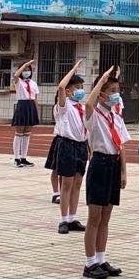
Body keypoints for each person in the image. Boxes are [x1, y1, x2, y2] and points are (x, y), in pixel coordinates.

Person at [81, 66, 127, 279]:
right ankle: (89, 263)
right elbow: (88, 103)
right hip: (99, 164)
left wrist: (124, 171)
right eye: (112, 90)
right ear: (101, 94)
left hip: (114, 164)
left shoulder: (115, 116)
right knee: (95, 216)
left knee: (107, 215)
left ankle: (101, 258)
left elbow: (121, 145)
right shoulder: (93, 114)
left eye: (117, 90)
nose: (116, 95)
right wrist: (101, 81)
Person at [50, 60, 90, 234]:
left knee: (77, 183)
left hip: (81, 146)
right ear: (68, 91)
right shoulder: (63, 107)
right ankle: (63, 220)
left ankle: (73, 217)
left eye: (82, 86)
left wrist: (88, 148)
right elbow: (60, 87)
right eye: (77, 87)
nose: (80, 90)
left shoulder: (81, 107)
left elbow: (86, 129)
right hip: (67, 145)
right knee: (66, 184)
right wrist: (73, 70)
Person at [8, 58, 39, 167]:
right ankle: (16, 158)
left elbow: (35, 98)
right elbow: (16, 75)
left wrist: (36, 111)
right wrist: (25, 64)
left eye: (28, 69)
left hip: (31, 107)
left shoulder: (34, 83)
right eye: (24, 69)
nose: (27, 71)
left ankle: (24, 157)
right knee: (19, 133)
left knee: (27, 134)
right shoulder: (18, 82)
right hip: (22, 105)